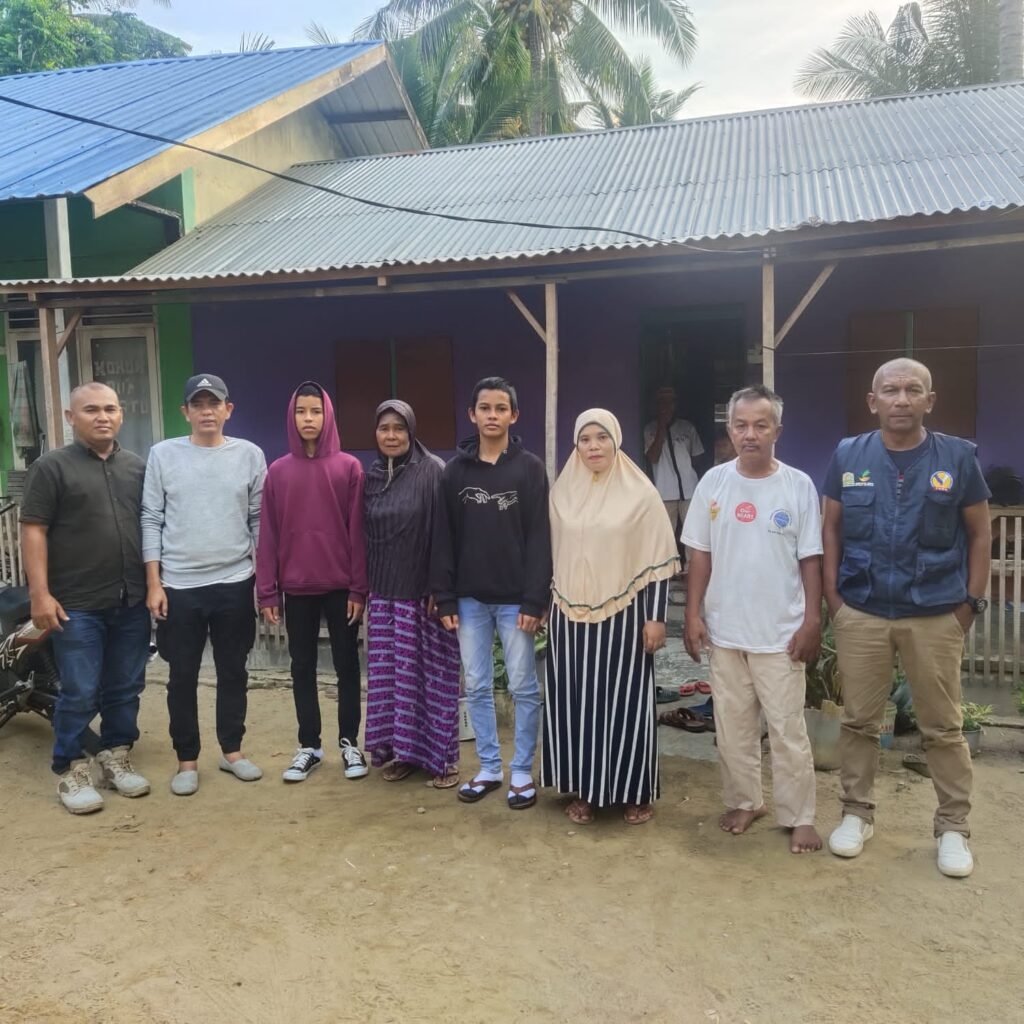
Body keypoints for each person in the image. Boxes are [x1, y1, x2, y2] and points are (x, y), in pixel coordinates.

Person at [822, 358, 991, 878]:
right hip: (863, 611)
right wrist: (835, 601)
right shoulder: (849, 454)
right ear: (872, 401)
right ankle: (857, 814)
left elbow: (980, 534)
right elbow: (831, 528)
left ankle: (953, 827)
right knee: (858, 721)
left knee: (942, 726)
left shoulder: (957, 458)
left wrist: (969, 605)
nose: (901, 399)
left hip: (935, 613)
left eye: (913, 390)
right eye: (890, 390)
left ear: (929, 401)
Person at [682, 385, 824, 854]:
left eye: (761, 425)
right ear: (729, 430)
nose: (750, 434)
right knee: (733, 727)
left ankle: (799, 815)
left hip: (780, 633)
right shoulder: (713, 483)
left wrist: (811, 620)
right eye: (741, 425)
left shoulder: (798, 485)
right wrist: (692, 614)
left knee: (787, 730)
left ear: (777, 431)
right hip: (725, 631)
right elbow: (699, 555)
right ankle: (746, 801)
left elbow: (810, 559)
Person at [542, 409, 678, 826]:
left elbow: (659, 560)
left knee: (625, 705)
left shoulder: (641, 495)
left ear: (616, 440)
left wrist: (656, 618)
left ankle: (633, 792)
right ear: (576, 445)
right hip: (568, 618)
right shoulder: (562, 493)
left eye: (602, 437)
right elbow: (551, 554)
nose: (594, 446)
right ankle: (585, 790)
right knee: (576, 703)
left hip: (625, 618)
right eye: (585, 439)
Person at [20, 382, 151, 814]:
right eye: (91, 409)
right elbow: (34, 530)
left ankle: (115, 757)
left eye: (110, 409)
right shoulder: (51, 468)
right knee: (79, 690)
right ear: (70, 417)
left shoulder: (136, 467)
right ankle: (71, 769)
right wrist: (39, 594)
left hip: (130, 601)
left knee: (125, 686)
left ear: (121, 414)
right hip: (75, 603)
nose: (102, 417)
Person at [142, 374, 267, 796]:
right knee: (182, 675)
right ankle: (187, 760)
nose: (207, 411)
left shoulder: (249, 455)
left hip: (234, 581)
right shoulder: (163, 455)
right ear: (186, 412)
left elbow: (258, 518)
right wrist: (154, 582)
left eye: (214, 403)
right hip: (179, 585)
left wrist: (262, 578)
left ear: (229, 409)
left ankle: (232, 751)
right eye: (198, 404)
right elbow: (151, 518)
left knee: (233, 671)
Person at [430, 376, 551, 810]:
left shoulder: (530, 469)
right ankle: (489, 767)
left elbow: (540, 538)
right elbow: (443, 537)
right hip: (469, 600)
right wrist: (444, 596)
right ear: (472, 414)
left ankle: (521, 770)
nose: (493, 416)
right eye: (485, 408)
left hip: (516, 600)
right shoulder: (455, 472)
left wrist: (535, 598)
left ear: (514, 415)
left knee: (523, 686)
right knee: (478, 684)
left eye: (501, 408)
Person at [255, 381, 368, 784]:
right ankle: (309, 746)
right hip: (296, 588)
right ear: (292, 416)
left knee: (347, 665)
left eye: (316, 411)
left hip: (341, 588)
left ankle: (350, 742)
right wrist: (267, 591)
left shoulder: (349, 468)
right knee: (300, 667)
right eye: (301, 411)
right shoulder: (278, 471)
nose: (308, 419)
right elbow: (268, 534)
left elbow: (358, 532)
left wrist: (359, 588)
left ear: (327, 416)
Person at [363, 400, 461, 788]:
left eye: (399, 428)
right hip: (384, 597)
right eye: (384, 428)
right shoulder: (372, 477)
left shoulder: (432, 471)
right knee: (395, 685)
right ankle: (404, 754)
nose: (391, 436)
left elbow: (447, 532)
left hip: (423, 598)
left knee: (432, 680)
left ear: (412, 431)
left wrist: (441, 586)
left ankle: (443, 761)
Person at [644, 386, 705, 538]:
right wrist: (661, 428)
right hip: (664, 492)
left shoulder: (687, 427)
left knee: (694, 535)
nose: (666, 406)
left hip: (689, 491)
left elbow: (697, 457)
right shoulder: (650, 429)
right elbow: (653, 457)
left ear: (675, 405)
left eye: (670, 402)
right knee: (666, 537)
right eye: (662, 402)